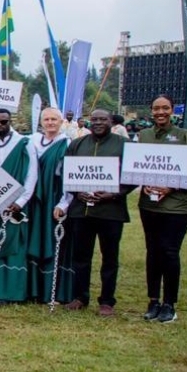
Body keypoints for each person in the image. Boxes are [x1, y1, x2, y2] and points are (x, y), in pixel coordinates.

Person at [54, 109, 134, 317]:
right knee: (81, 256)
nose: (98, 123)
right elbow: (66, 173)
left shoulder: (123, 144)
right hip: (81, 210)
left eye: (103, 119)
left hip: (110, 211)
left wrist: (113, 194)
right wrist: (76, 191)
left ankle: (107, 301)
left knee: (109, 258)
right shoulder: (77, 144)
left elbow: (132, 176)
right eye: (95, 119)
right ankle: (80, 297)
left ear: (111, 121)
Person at [136, 95, 187, 323]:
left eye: (165, 108)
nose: (160, 112)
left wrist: (171, 187)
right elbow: (138, 166)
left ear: (172, 110)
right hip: (150, 205)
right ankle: (153, 301)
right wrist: (143, 182)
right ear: (151, 111)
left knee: (169, 251)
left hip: (178, 207)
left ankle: (169, 304)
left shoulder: (185, 136)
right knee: (153, 252)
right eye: (156, 108)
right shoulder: (144, 135)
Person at [0, 108, 39, 306]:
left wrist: (20, 202)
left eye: (3, 122)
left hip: (16, 204)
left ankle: (13, 294)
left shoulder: (24, 143)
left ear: (9, 121)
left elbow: (31, 175)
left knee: (13, 248)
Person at [27, 107, 74, 305]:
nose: (50, 122)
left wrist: (64, 203)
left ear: (61, 121)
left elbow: (70, 176)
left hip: (54, 197)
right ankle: (33, 290)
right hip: (34, 198)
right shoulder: (32, 141)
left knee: (53, 241)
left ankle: (51, 291)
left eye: (54, 119)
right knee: (34, 238)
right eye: (46, 119)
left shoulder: (67, 144)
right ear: (41, 122)